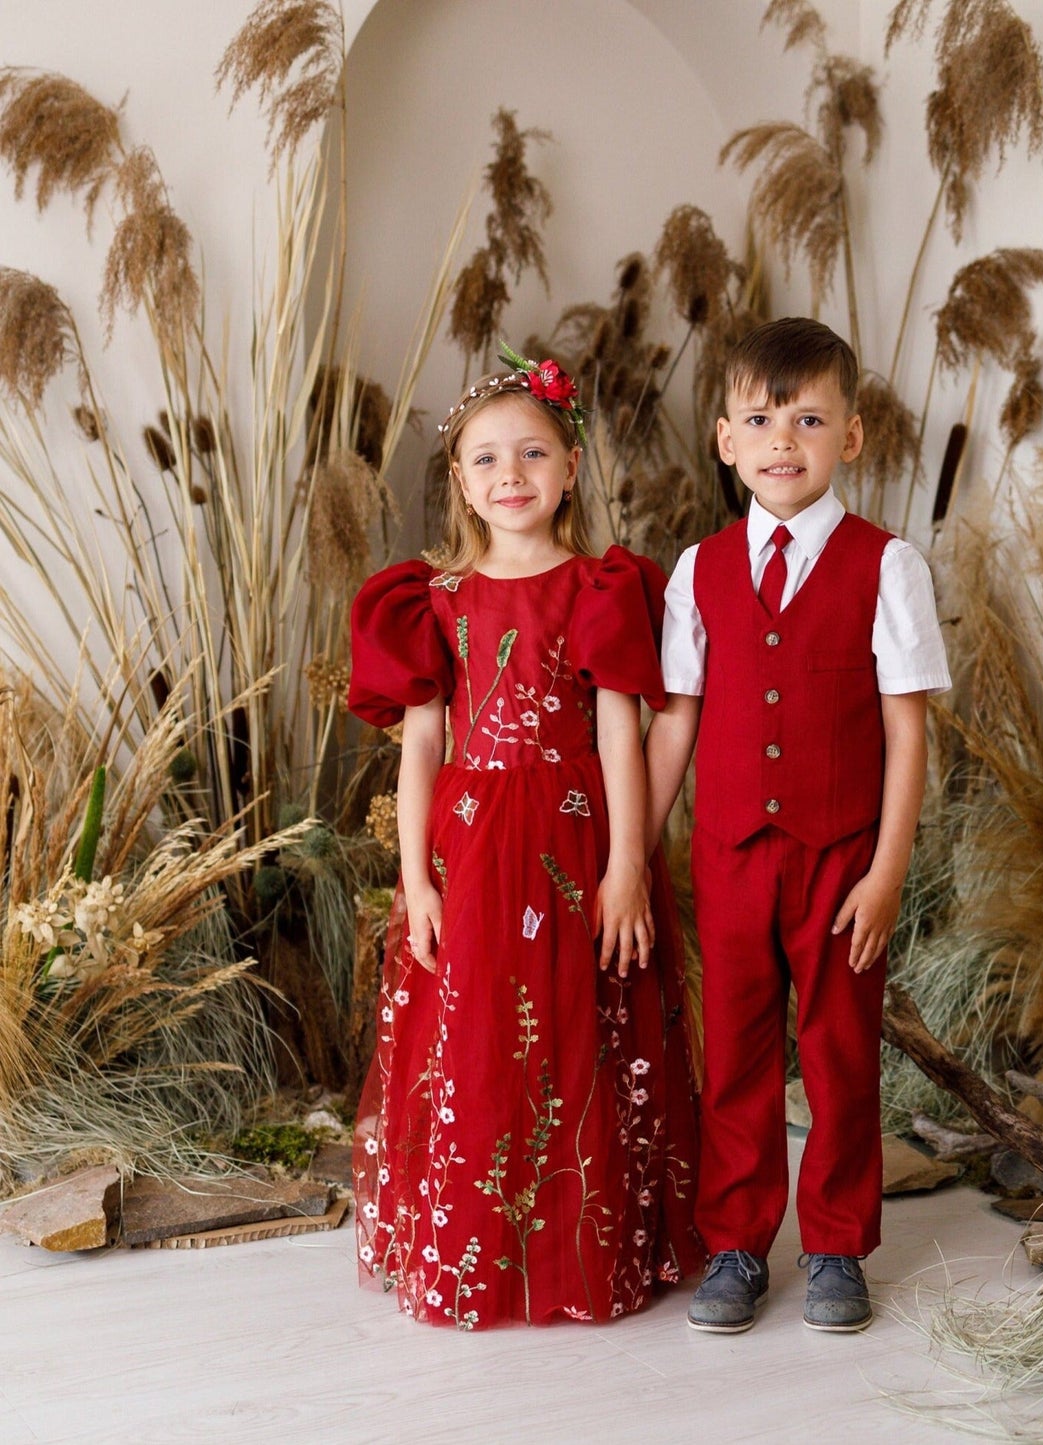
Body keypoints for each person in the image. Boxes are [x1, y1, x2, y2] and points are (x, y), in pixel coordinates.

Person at [348, 348, 701, 1328]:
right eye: (488, 458)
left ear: (570, 466)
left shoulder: (600, 584)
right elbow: (421, 744)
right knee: (478, 1035)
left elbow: (619, 728)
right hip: (470, 841)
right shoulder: (435, 598)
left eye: (534, 452)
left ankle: (585, 1228)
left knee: (592, 1023)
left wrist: (630, 863)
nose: (512, 474)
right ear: (459, 480)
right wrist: (413, 877)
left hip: (579, 830)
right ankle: (481, 1242)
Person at [644, 317, 950, 1334]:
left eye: (809, 418)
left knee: (836, 1052)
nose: (784, 438)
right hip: (729, 859)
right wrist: (635, 851)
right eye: (760, 418)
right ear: (725, 439)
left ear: (849, 438)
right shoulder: (698, 570)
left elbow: (907, 734)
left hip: (840, 863)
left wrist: (886, 871)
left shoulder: (886, 564)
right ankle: (734, 1240)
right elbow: (676, 720)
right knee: (729, 1053)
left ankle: (833, 1246)